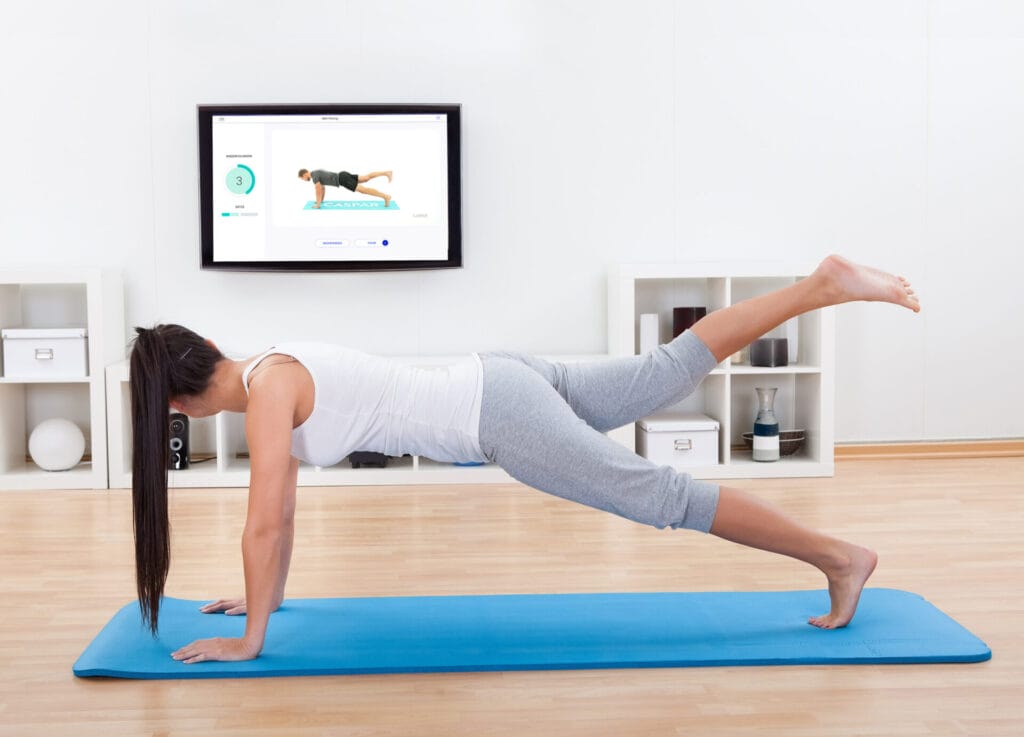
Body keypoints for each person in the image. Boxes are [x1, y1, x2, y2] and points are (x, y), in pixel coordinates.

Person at [127, 255, 920, 665]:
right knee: (661, 373)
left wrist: (253, 638)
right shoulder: (273, 363)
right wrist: (260, 600)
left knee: (658, 495)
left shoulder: (268, 394)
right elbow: (279, 519)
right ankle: (820, 285)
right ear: (209, 349)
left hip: (494, 413)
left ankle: (839, 556)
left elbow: (266, 521)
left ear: (177, 405)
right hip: (496, 374)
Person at [298, 168, 392, 208]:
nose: (303, 180)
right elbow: (322, 189)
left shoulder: (314, 177)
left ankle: (385, 196)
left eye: (302, 178)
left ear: (304, 174)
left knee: (364, 190)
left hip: (342, 180)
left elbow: (318, 190)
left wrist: (318, 205)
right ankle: (386, 173)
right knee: (366, 178)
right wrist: (321, 201)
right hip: (342, 174)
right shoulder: (316, 172)